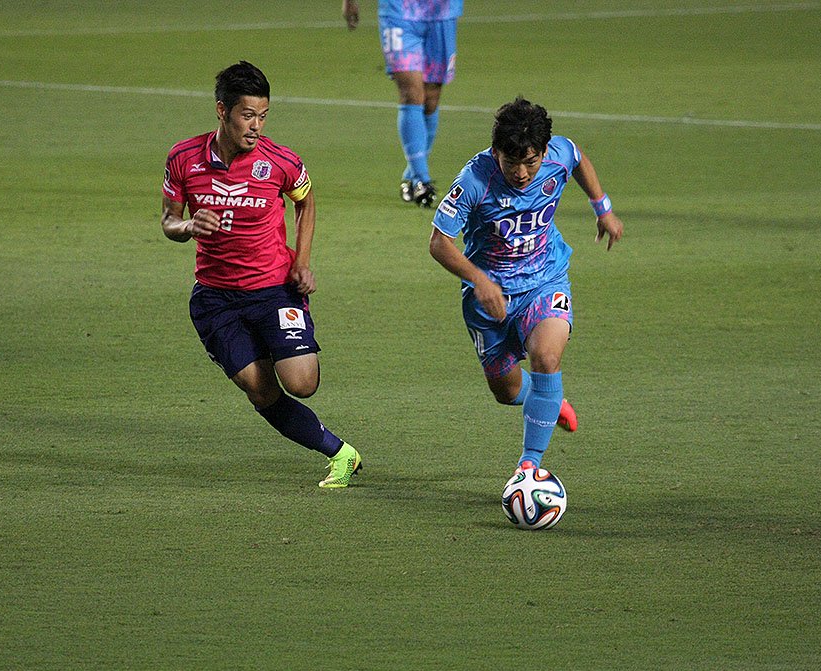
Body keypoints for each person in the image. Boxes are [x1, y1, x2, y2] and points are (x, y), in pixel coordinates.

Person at [161, 61, 362, 488]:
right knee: (262, 390)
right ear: (222, 110)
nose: (256, 126)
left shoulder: (280, 161)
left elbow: (306, 201)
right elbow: (168, 221)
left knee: (302, 383)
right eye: (247, 115)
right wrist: (188, 225)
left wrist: (301, 261)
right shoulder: (183, 158)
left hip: (274, 289)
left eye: (263, 116)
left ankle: (273, 340)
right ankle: (340, 453)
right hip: (216, 298)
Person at [428, 97, 624, 473]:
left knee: (547, 357)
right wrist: (479, 280)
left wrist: (603, 208)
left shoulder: (558, 155)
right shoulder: (473, 180)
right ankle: (549, 399)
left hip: (545, 279)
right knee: (506, 391)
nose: (521, 173)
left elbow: (577, 156)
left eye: (530, 162)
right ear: (496, 152)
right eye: (511, 162)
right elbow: (439, 243)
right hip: (490, 297)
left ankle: (528, 468)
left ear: (544, 152)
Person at [342, 0, 462, 208]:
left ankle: (411, 174)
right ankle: (422, 181)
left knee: (431, 98)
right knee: (411, 93)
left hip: (442, 12)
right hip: (398, 12)